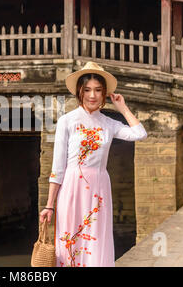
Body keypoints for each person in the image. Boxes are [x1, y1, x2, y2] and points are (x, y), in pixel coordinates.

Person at [39, 61, 147, 267]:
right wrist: (49, 205)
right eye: (87, 90)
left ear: (105, 93)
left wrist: (122, 108)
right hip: (71, 190)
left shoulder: (108, 123)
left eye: (98, 90)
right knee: (71, 243)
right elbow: (58, 167)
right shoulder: (67, 121)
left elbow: (140, 134)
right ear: (79, 91)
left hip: (99, 191)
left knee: (97, 242)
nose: (92, 95)